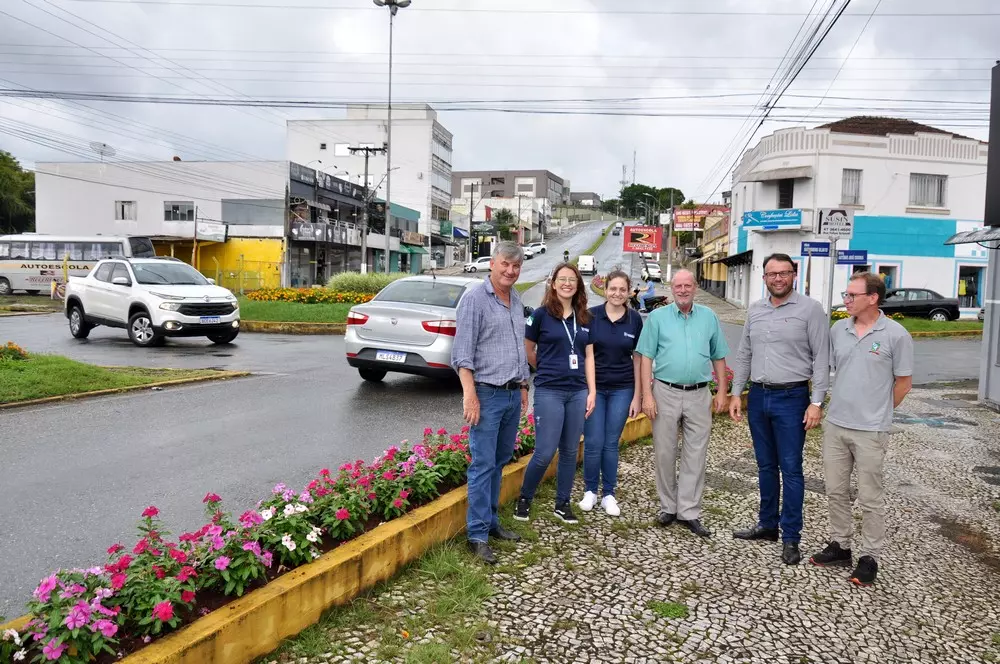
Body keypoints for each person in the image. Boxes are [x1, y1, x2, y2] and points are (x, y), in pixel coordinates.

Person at [809, 272, 913, 587]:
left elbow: (904, 384)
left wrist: (878, 412)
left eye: (852, 295)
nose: (846, 299)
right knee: (836, 491)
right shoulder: (838, 329)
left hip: (871, 431)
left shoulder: (897, 335)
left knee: (870, 497)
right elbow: (824, 371)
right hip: (837, 424)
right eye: (846, 293)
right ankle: (841, 545)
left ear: (873, 298)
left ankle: (870, 557)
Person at [729, 253, 830, 565]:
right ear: (764, 278)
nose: (777, 279)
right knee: (765, 466)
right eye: (772, 274)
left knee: (792, 469)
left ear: (793, 274)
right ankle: (767, 524)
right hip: (758, 397)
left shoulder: (811, 310)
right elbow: (745, 352)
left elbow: (822, 358)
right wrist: (736, 393)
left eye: (783, 273)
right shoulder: (755, 311)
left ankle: (791, 536)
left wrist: (816, 402)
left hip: (792, 398)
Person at [451, 241, 531, 565]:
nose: (510, 271)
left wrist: (524, 385)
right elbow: (462, 353)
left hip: (513, 394)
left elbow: (518, 347)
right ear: (492, 264)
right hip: (487, 394)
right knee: (482, 465)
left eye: (516, 266)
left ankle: (492, 522)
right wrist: (470, 394)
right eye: (505, 265)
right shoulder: (474, 299)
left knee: (499, 462)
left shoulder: (516, 300)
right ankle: (477, 534)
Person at [636, 269, 729, 537]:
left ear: (696, 287)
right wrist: (647, 395)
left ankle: (688, 510)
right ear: (672, 288)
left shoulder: (709, 317)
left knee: (695, 454)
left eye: (688, 285)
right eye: (679, 286)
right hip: (665, 391)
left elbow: (719, 356)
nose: (683, 290)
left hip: (700, 394)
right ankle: (668, 506)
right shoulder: (657, 318)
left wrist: (722, 391)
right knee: (664, 451)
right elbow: (645, 358)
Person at [515, 263, 596, 525]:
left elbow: (589, 357)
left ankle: (562, 503)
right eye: (562, 279)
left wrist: (591, 391)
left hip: (577, 392)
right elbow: (528, 350)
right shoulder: (539, 315)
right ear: (553, 284)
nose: (567, 283)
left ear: (578, 285)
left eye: (572, 279)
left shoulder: (585, 317)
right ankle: (525, 498)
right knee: (545, 451)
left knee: (570, 451)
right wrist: (547, 368)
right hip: (550, 390)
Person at [578, 270, 643, 517]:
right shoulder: (591, 316)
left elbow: (638, 359)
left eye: (622, 290)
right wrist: (588, 390)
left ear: (628, 293)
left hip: (622, 388)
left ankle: (609, 494)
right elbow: (586, 355)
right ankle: (590, 491)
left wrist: (637, 395)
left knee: (611, 443)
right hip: (594, 389)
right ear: (605, 290)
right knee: (593, 441)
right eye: (613, 289)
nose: (617, 294)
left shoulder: (634, 320)